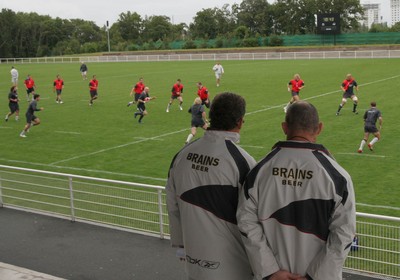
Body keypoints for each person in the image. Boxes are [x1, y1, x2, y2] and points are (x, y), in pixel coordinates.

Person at [237, 100, 356, 280]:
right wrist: (315, 276)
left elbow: (245, 221)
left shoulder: (259, 170)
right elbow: (344, 233)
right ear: (319, 128)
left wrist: (270, 271)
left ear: (284, 127)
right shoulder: (338, 177)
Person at [166, 92, 256, 280]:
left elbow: (172, 205)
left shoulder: (182, 154)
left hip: (193, 260)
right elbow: (252, 220)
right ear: (239, 122)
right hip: (233, 265)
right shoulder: (243, 162)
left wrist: (182, 246)